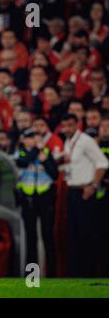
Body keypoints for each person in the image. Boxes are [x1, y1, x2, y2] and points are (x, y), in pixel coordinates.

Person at [61, 114, 108, 277]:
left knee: (86, 234)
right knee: (73, 234)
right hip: (72, 191)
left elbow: (103, 163)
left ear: (77, 124)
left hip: (85, 191)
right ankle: (76, 274)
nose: (67, 128)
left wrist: (93, 185)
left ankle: (89, 273)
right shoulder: (67, 142)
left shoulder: (85, 141)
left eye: (70, 125)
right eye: (65, 125)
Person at [14, 128, 59, 277]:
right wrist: (35, 151)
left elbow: (55, 173)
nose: (32, 139)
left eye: (34, 137)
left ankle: (52, 275)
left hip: (45, 199)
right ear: (23, 140)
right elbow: (22, 162)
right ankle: (32, 276)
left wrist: (45, 160)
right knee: (30, 238)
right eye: (29, 137)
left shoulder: (45, 153)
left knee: (48, 236)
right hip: (27, 200)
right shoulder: (19, 152)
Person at [96, 115, 109, 276]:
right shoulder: (94, 146)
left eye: (108, 126)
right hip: (100, 198)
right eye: (103, 126)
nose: (105, 129)